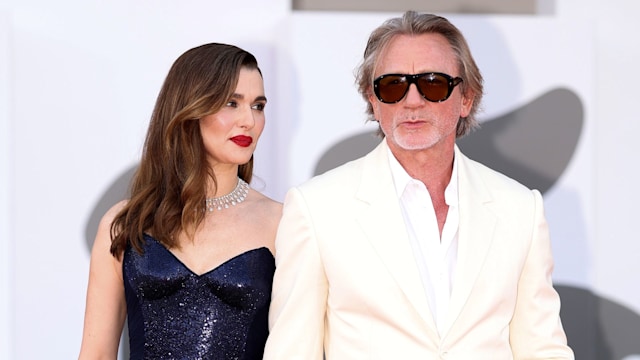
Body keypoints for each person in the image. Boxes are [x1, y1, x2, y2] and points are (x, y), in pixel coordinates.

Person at [264, 11, 574, 359]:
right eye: (393, 85)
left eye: (433, 83)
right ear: (372, 98)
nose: (412, 101)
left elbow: (542, 348)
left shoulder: (520, 209)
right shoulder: (317, 209)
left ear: (466, 98)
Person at [78, 43, 281, 359]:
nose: (249, 121)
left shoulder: (282, 223)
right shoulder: (123, 224)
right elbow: (97, 354)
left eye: (258, 106)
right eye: (231, 103)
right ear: (190, 108)